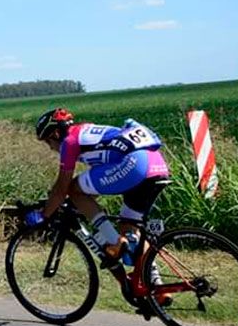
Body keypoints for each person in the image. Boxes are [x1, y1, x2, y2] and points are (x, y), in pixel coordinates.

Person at [31, 108, 171, 262]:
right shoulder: (87, 131)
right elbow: (99, 182)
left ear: (56, 134)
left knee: (73, 189)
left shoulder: (69, 142)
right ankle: (151, 281)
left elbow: (61, 188)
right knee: (129, 230)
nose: (50, 148)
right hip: (156, 164)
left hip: (135, 164)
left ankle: (114, 241)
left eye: (48, 142)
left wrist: (44, 215)